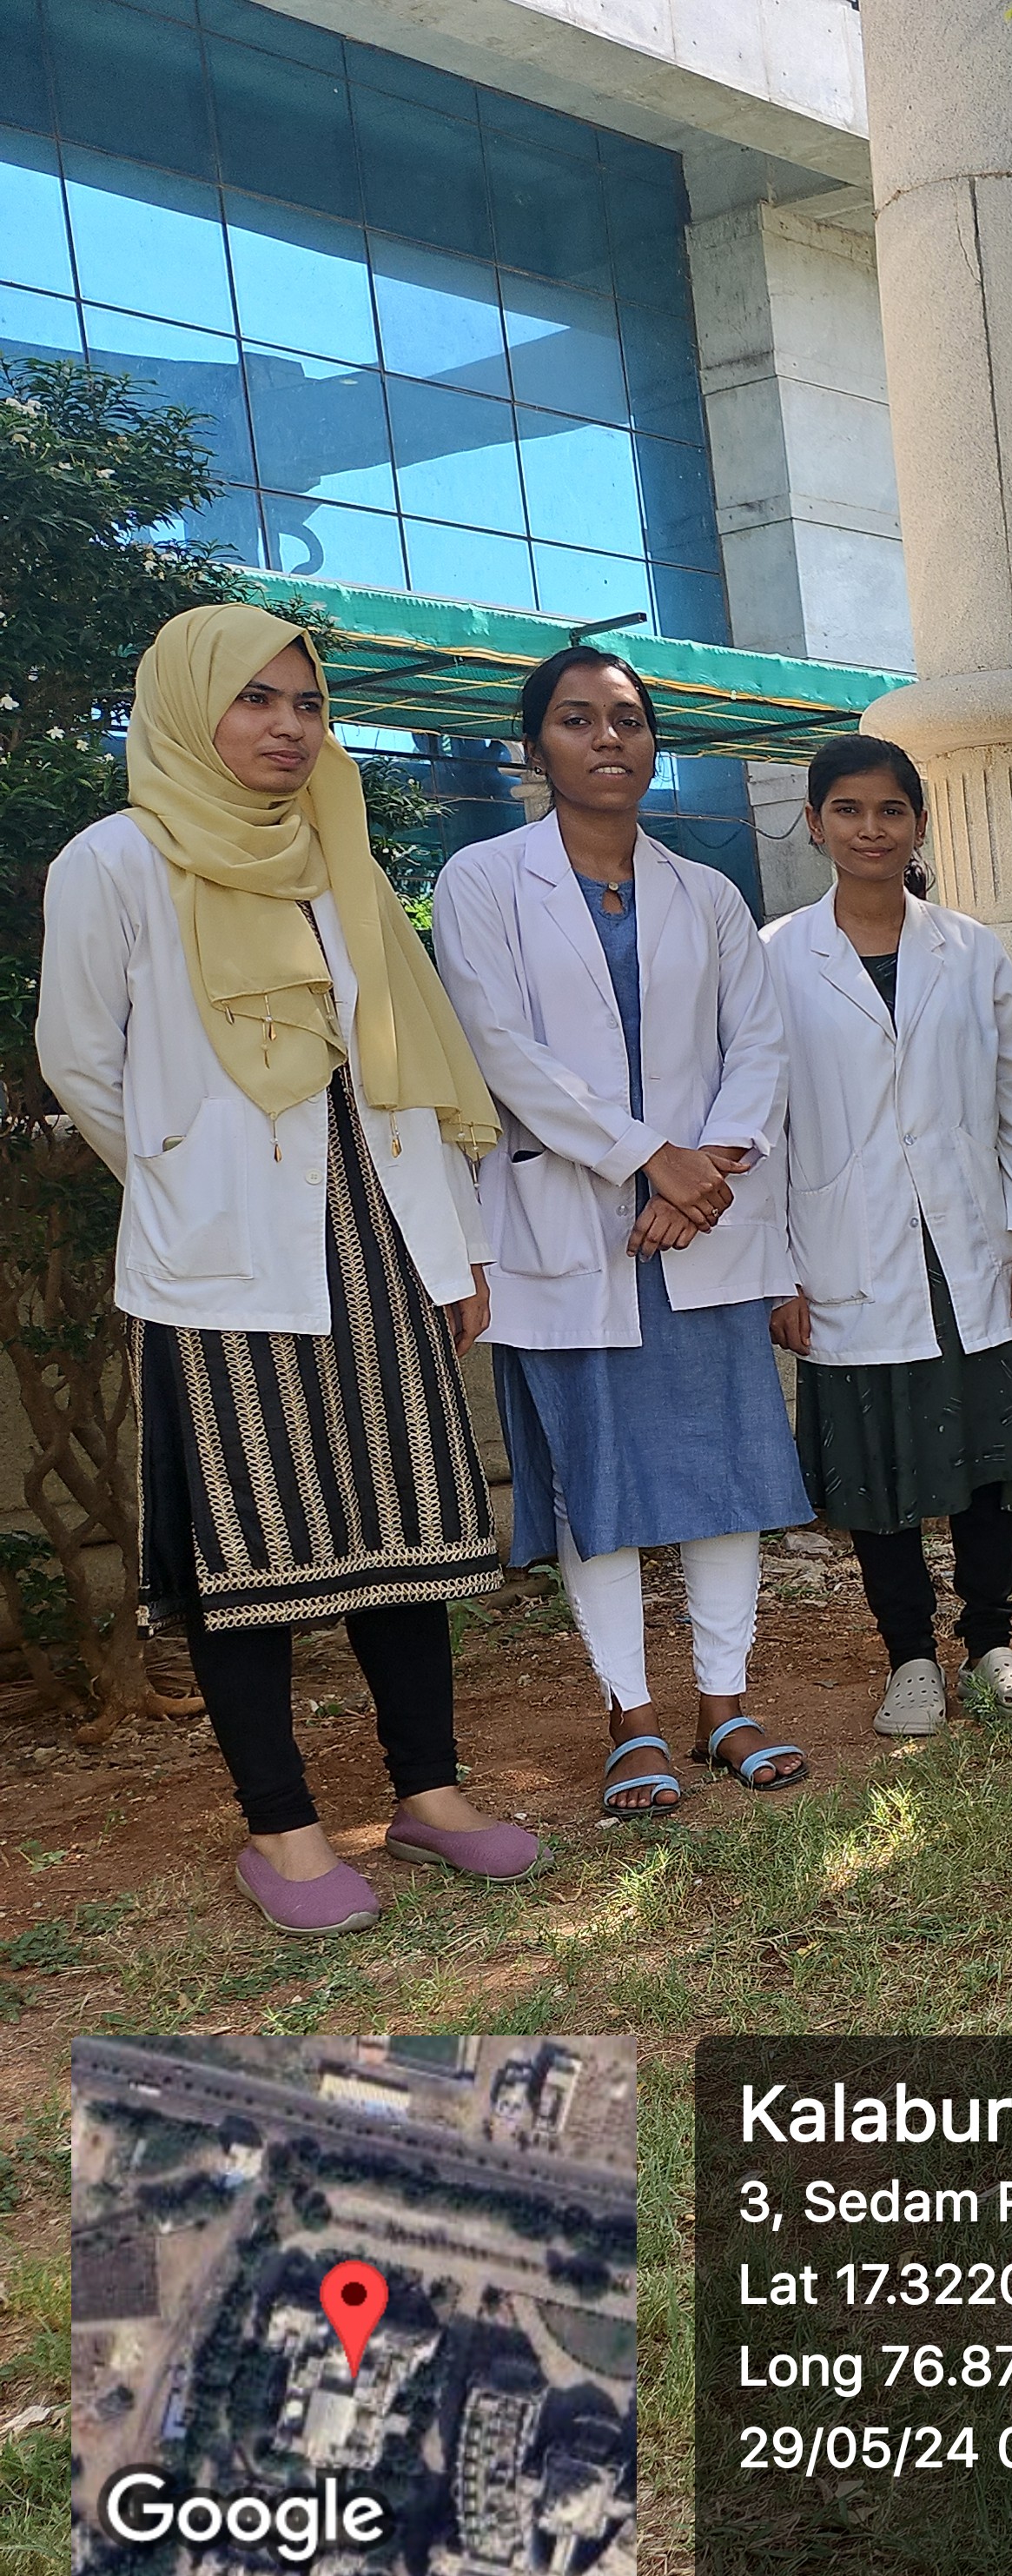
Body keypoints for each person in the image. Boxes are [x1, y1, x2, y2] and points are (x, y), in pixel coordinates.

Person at [36, 607, 540, 1932]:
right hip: (220, 1260)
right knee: (246, 1544)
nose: (287, 727)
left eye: (307, 704)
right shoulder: (116, 861)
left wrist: (459, 1244)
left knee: (404, 1522)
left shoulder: (336, 857)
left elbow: (409, 1067)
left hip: (377, 1234)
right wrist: (185, 1176)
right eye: (254, 699)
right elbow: (78, 1059)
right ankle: (284, 1829)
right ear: (185, 706)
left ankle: (429, 1793)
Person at [435, 647, 814, 1816]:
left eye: (630, 719)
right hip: (568, 1227)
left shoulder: (710, 892)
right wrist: (651, 1157)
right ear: (533, 746)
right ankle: (630, 1717)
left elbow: (760, 1044)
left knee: (723, 1470)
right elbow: (499, 1050)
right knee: (592, 1481)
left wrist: (705, 1171)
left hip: (701, 1227)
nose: (610, 738)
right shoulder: (483, 880)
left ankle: (725, 1703)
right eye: (577, 719)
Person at [766, 736, 1012, 1737]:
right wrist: (776, 1272)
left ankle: (990, 1645)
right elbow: (759, 1127)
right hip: (844, 1249)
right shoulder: (773, 959)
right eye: (848, 810)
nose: (871, 829)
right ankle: (909, 1660)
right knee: (876, 1470)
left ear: (919, 824)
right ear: (814, 824)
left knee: (987, 1458)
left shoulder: (970, 950)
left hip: (968, 1247)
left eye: (891, 810)